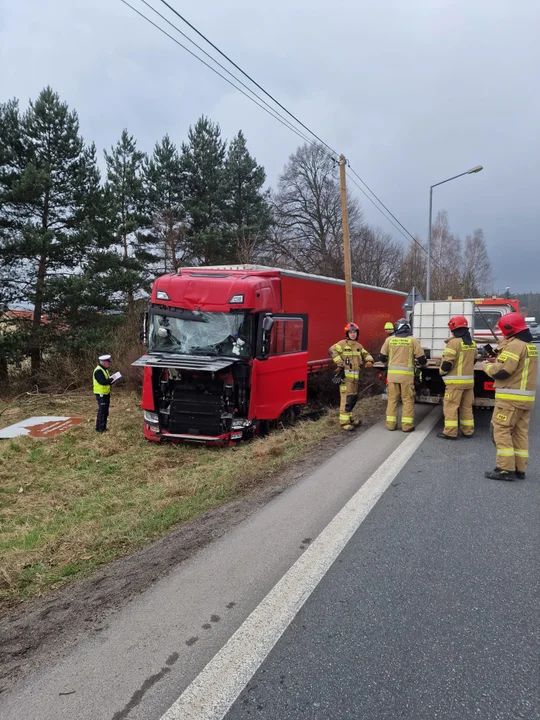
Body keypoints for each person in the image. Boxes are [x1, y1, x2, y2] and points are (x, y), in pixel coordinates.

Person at [482, 312, 538, 481]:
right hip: (525, 399)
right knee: (520, 433)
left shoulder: (515, 346)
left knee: (501, 431)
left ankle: (505, 469)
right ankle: (520, 468)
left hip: (510, 399)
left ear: (509, 329)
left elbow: (502, 372)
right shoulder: (530, 346)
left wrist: (486, 367)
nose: (501, 334)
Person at [380, 318, 427, 432]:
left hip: (392, 377)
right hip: (406, 377)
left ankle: (391, 425)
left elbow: (382, 357)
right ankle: (407, 426)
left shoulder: (389, 340)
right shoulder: (413, 341)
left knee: (392, 400)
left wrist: (388, 363)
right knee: (407, 400)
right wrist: (424, 365)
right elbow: (421, 358)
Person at [437, 315, 477, 440]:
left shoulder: (453, 343)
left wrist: (441, 372)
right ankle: (468, 431)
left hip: (454, 383)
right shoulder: (472, 343)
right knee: (466, 407)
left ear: (453, 329)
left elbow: (447, 363)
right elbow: (474, 359)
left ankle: (450, 432)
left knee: (450, 407)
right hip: (469, 382)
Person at [330, 322, 374, 431]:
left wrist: (369, 360)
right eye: (351, 332)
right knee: (346, 400)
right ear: (347, 333)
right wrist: (339, 362)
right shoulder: (342, 344)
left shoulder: (358, 346)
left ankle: (350, 419)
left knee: (353, 399)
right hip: (346, 379)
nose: (353, 334)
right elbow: (331, 350)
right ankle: (344, 422)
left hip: (355, 379)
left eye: (354, 332)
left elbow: (366, 354)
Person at [93, 354, 114, 433]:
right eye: (108, 362)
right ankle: (99, 429)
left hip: (105, 393)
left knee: (105, 411)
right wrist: (111, 379)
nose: (109, 363)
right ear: (104, 362)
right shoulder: (99, 371)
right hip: (101, 394)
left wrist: (112, 380)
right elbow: (102, 382)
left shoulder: (104, 369)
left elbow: (107, 381)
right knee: (102, 412)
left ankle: (103, 427)